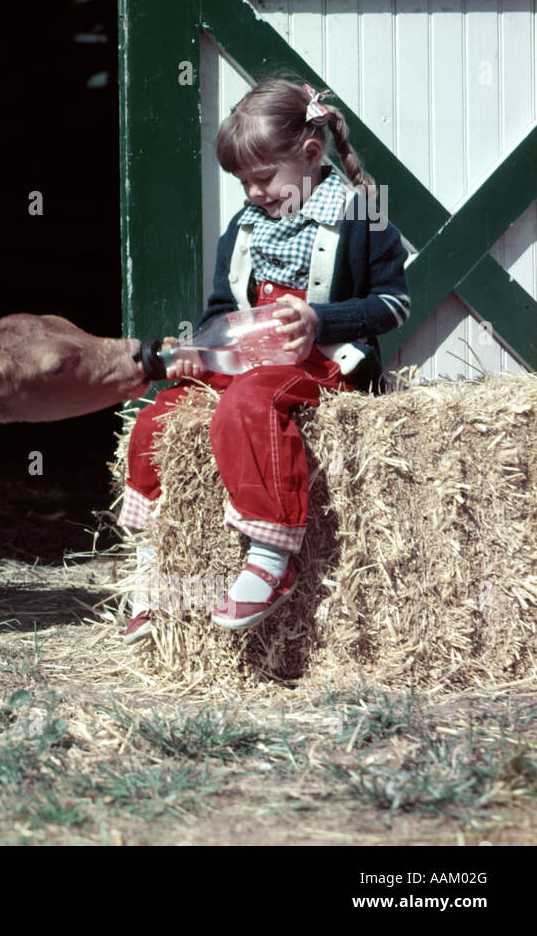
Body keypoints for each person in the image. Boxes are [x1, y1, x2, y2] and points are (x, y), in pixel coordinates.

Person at [121, 79, 411, 644]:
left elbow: (394, 304)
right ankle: (154, 570)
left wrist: (320, 321)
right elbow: (223, 309)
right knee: (161, 412)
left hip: (322, 362)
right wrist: (197, 351)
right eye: (242, 183)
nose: (252, 193)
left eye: (261, 178)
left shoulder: (362, 217)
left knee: (247, 404)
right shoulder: (244, 229)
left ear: (310, 155)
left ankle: (272, 557)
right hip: (249, 355)